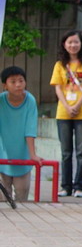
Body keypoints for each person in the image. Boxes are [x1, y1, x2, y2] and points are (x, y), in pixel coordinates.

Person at [50, 30, 82, 198]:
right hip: (64, 113)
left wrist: (76, 105)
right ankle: (66, 186)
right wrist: (67, 106)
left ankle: (80, 186)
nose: (73, 45)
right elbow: (57, 88)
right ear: (64, 44)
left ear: (81, 44)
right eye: (69, 42)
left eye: (76, 42)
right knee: (66, 152)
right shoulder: (59, 64)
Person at [0, 67, 42, 202]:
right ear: (5, 85)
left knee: (22, 197)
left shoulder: (30, 100)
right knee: (3, 199)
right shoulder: (1, 101)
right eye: (13, 82)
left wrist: (32, 154)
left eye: (21, 81)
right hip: (3, 154)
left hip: (22, 155)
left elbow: (30, 129)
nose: (18, 85)